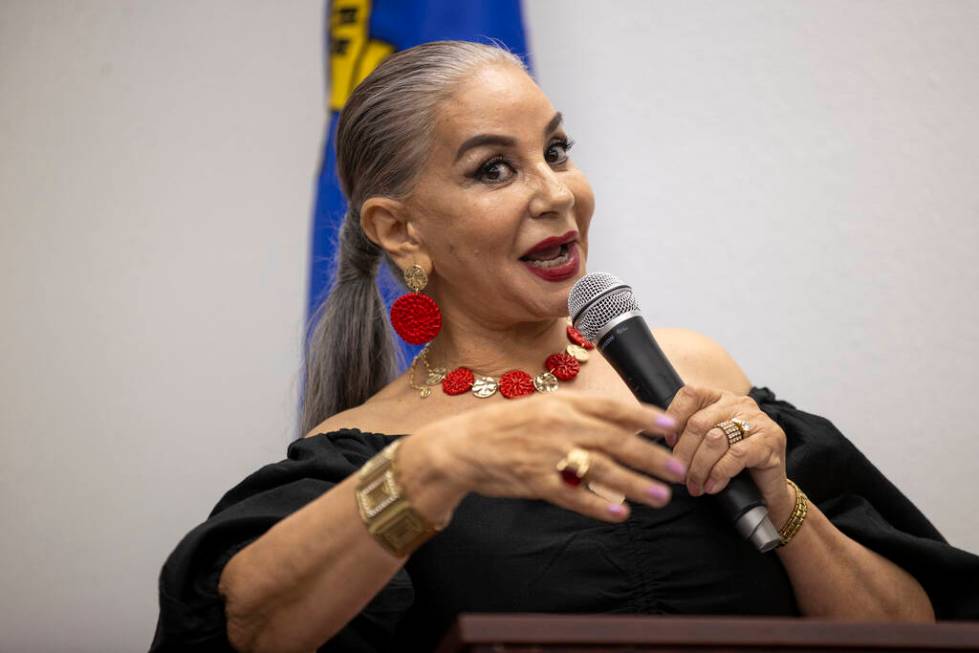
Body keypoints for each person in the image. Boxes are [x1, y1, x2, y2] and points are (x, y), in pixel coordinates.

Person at [151, 41, 979, 653]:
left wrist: (786, 504)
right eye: (492, 170)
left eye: (554, 151)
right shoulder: (360, 454)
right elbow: (242, 627)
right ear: (398, 229)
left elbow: (914, 633)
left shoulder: (694, 371)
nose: (556, 193)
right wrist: (436, 466)